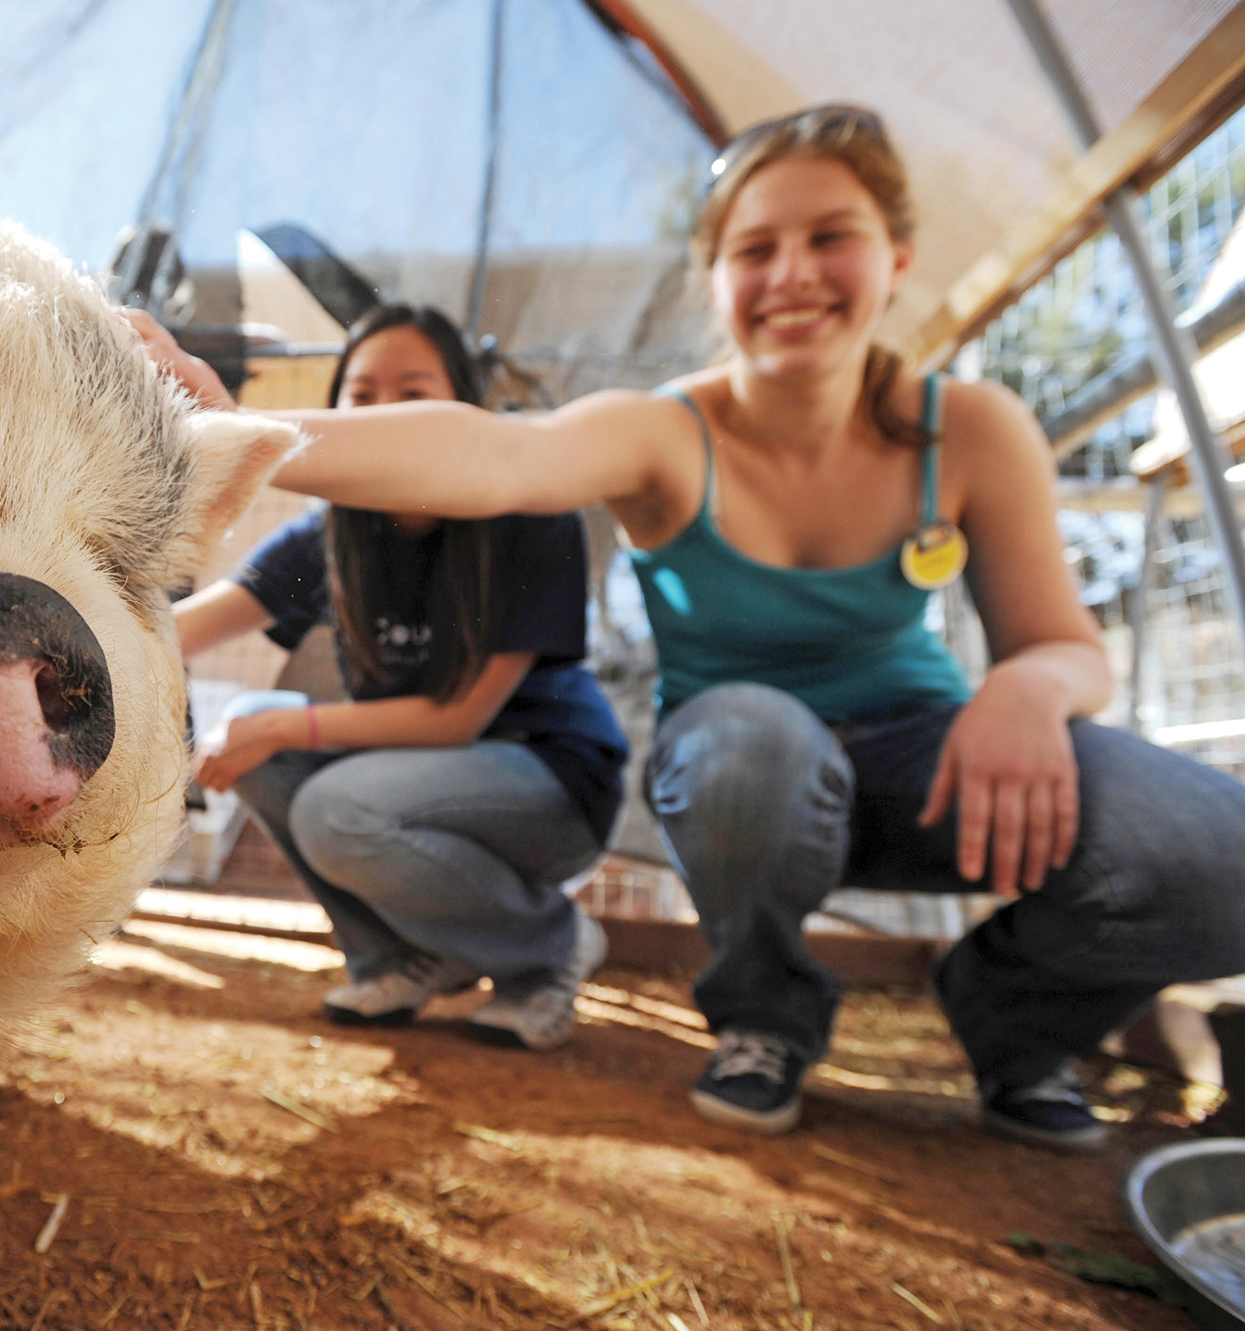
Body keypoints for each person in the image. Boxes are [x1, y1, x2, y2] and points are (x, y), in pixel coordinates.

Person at [133, 105, 1245, 1150]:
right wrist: (231, 429)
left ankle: (1011, 1021)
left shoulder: (971, 430)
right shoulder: (666, 433)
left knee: (1220, 858)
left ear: (895, 260)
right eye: (755, 249)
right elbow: (496, 454)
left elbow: (1062, 643)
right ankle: (765, 1012)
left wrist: (1025, 688)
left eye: (830, 237)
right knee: (748, 737)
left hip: (925, 752)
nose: (793, 275)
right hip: (738, 778)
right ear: (713, 280)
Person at [173, 303, 628, 1051]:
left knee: (331, 800)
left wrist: (285, 724)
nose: (385, 419)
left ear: (467, 407)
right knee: (256, 723)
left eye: (414, 396)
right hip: (410, 775)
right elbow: (183, 629)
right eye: (362, 398)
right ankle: (400, 958)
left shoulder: (532, 515)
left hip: (550, 780)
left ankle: (551, 947)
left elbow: (455, 721)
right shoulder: (331, 532)